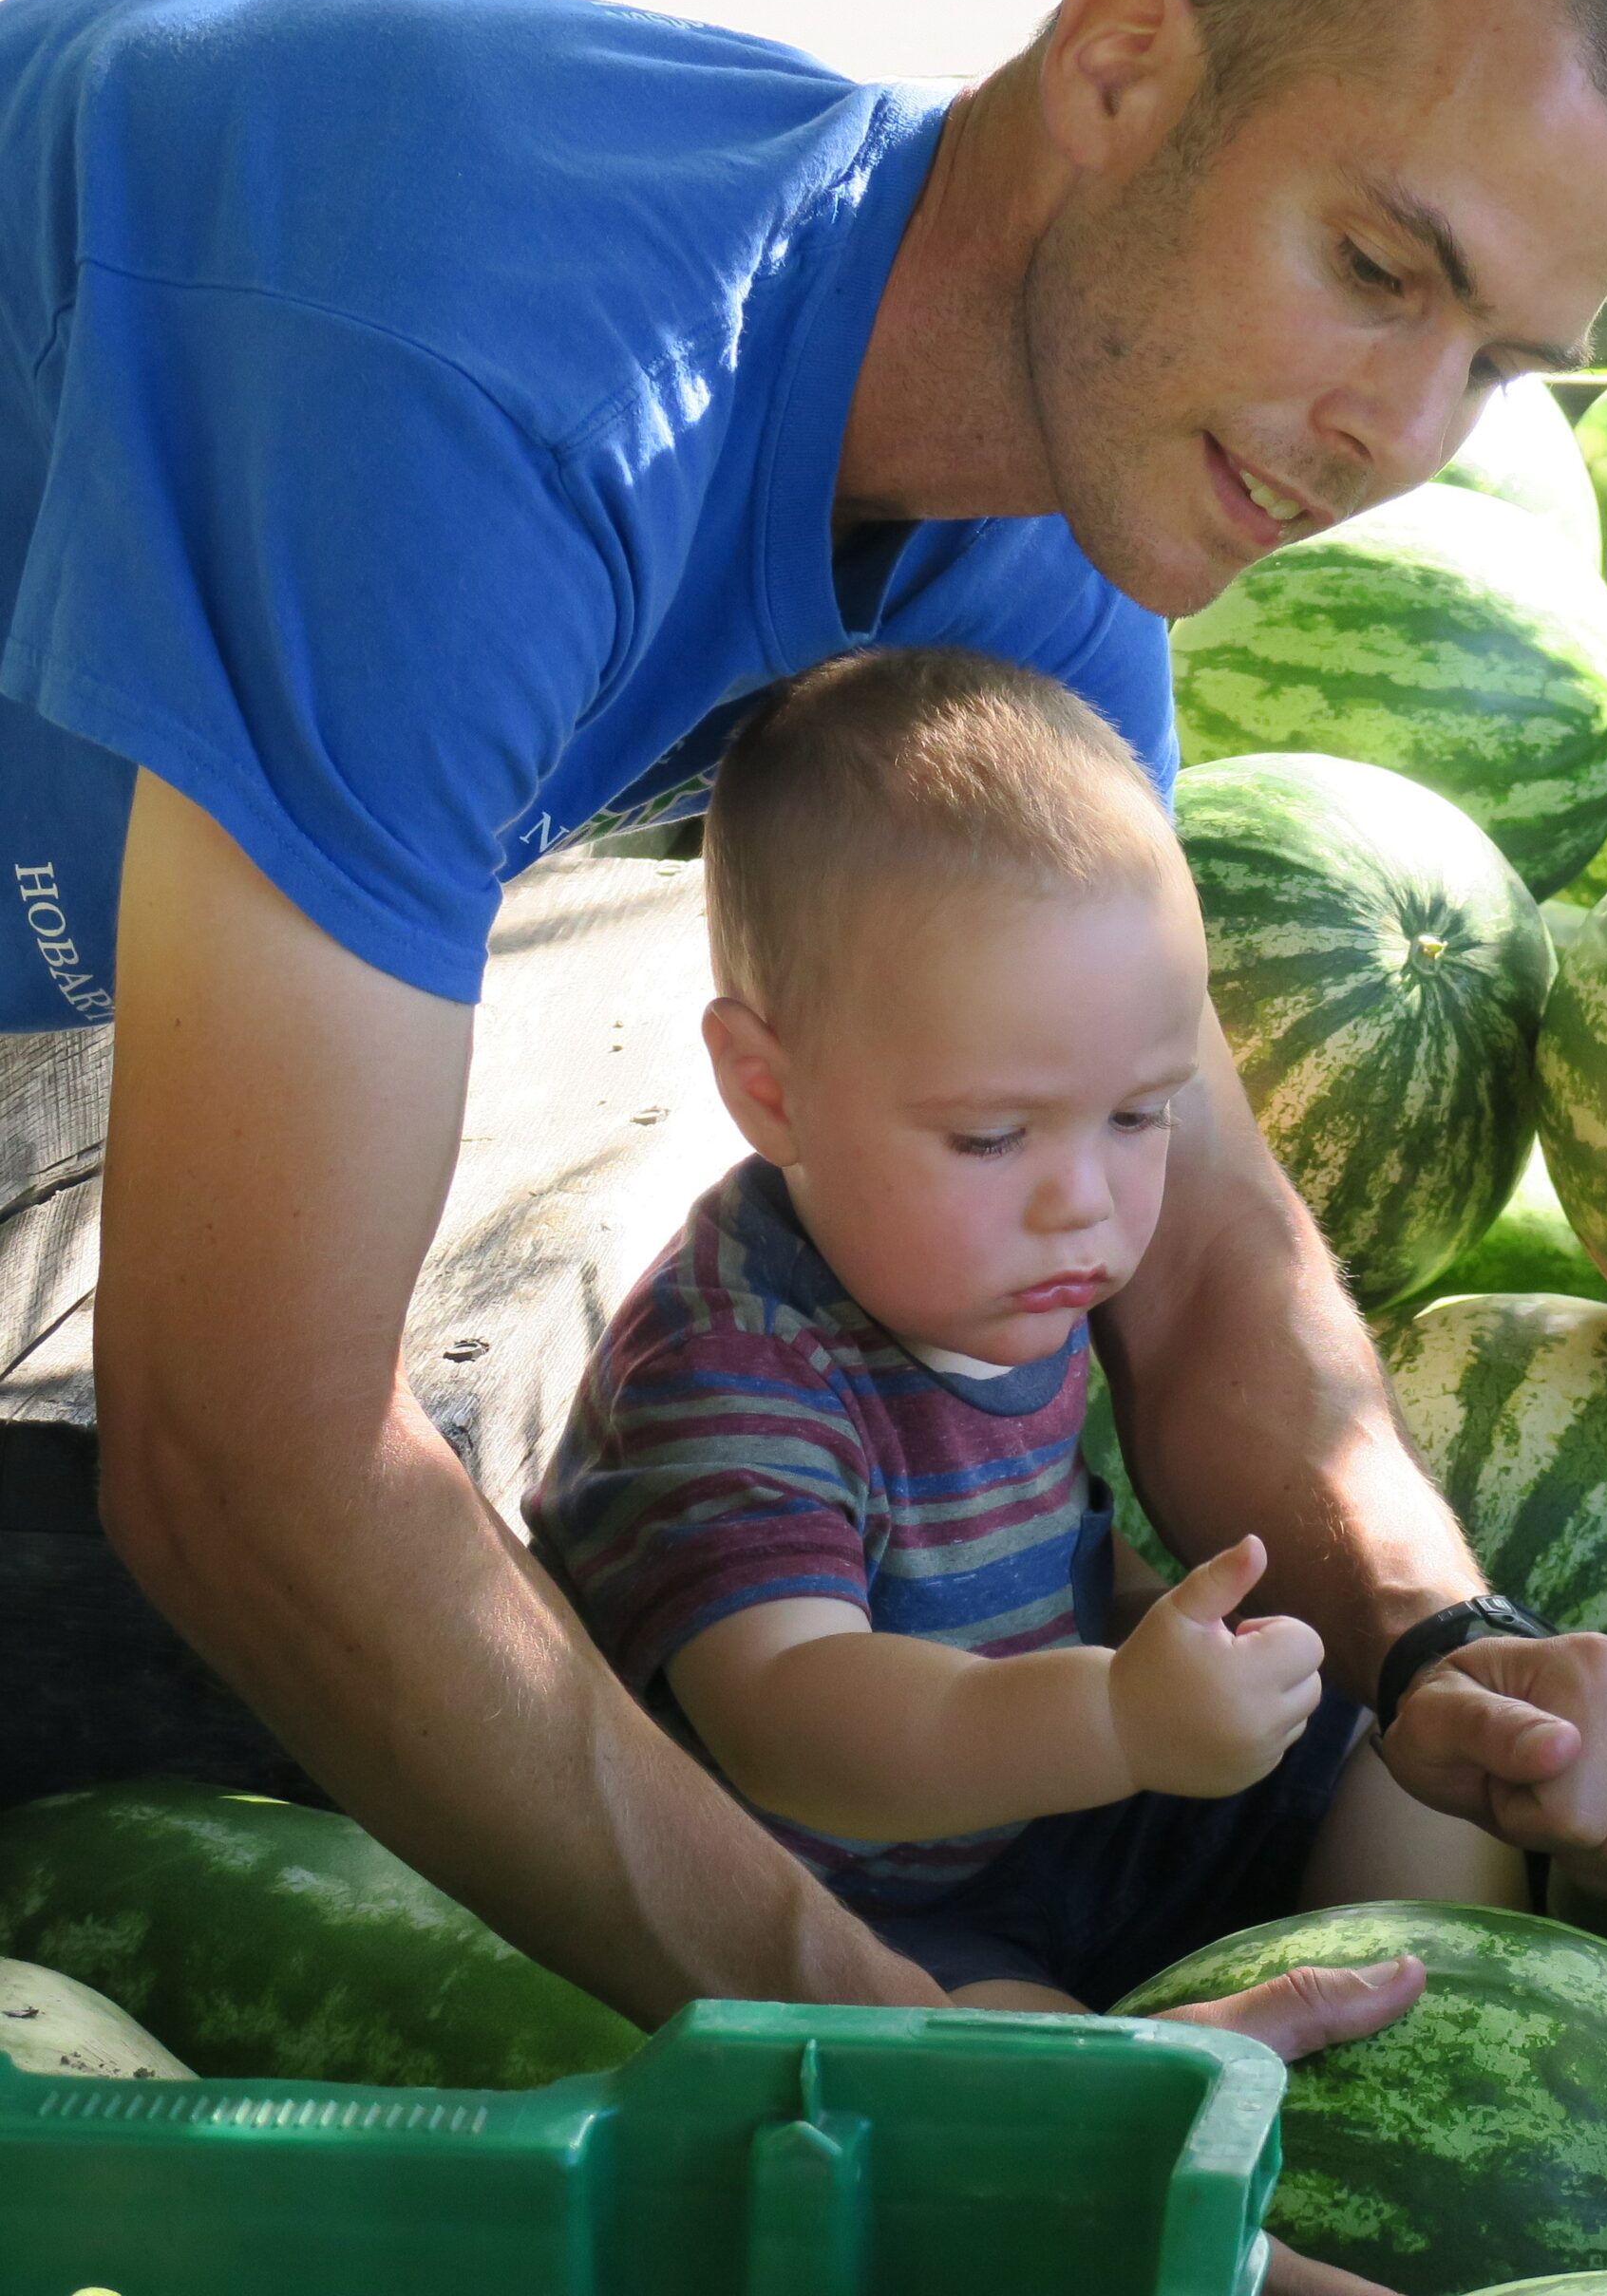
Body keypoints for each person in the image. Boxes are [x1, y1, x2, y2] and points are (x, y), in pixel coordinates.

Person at [0, 0, 1607, 2246]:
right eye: (1375, 268)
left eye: (1499, 364)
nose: (1394, 436)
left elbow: (1205, 1235)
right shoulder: (490, 387)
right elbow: (244, 1461)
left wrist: (1441, 1647)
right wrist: (886, 2049)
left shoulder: (1048, 512)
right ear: (1118, 57)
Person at [527, 647, 1528, 2018]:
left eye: (1140, 1114)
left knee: (1414, 1764)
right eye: (993, 1136)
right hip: (857, 1908)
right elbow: (793, 1718)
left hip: (1073, 1817)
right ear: (769, 1089)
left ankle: (1430, 2054)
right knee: (1015, 2074)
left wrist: (1179, 1655)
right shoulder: (728, 1377)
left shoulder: (986, 1265)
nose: (1086, 1202)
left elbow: (1026, 1543)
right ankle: (1217, 2125)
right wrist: (1115, 1719)